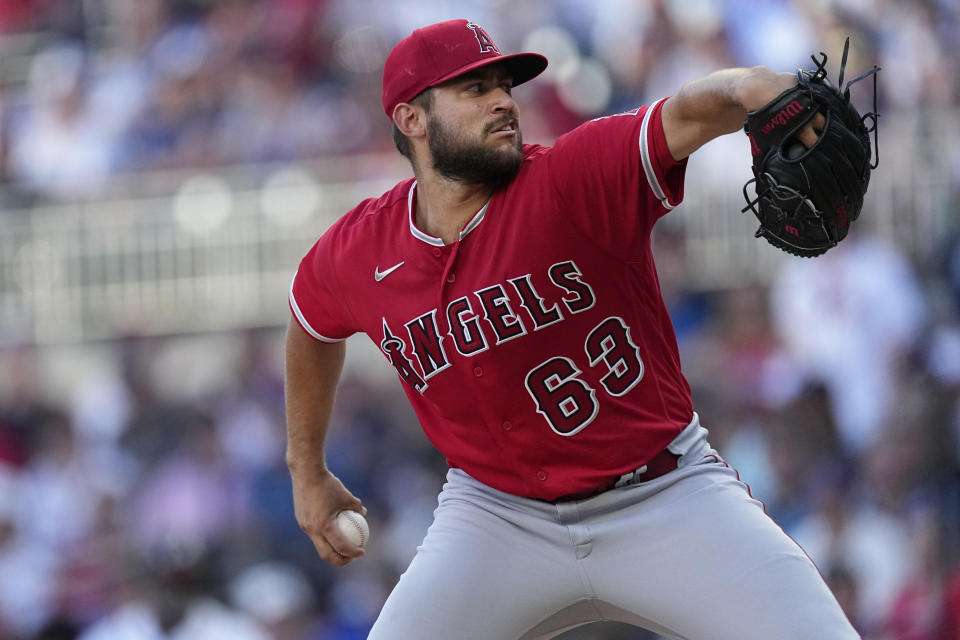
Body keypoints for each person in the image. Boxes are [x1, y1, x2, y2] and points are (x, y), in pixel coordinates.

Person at [285, 19, 858, 639]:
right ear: (411, 120)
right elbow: (311, 325)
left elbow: (686, 116)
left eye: (505, 85)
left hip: (662, 496)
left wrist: (747, 86)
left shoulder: (569, 178)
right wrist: (307, 469)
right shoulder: (360, 250)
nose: (504, 100)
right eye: (475, 89)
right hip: (495, 518)